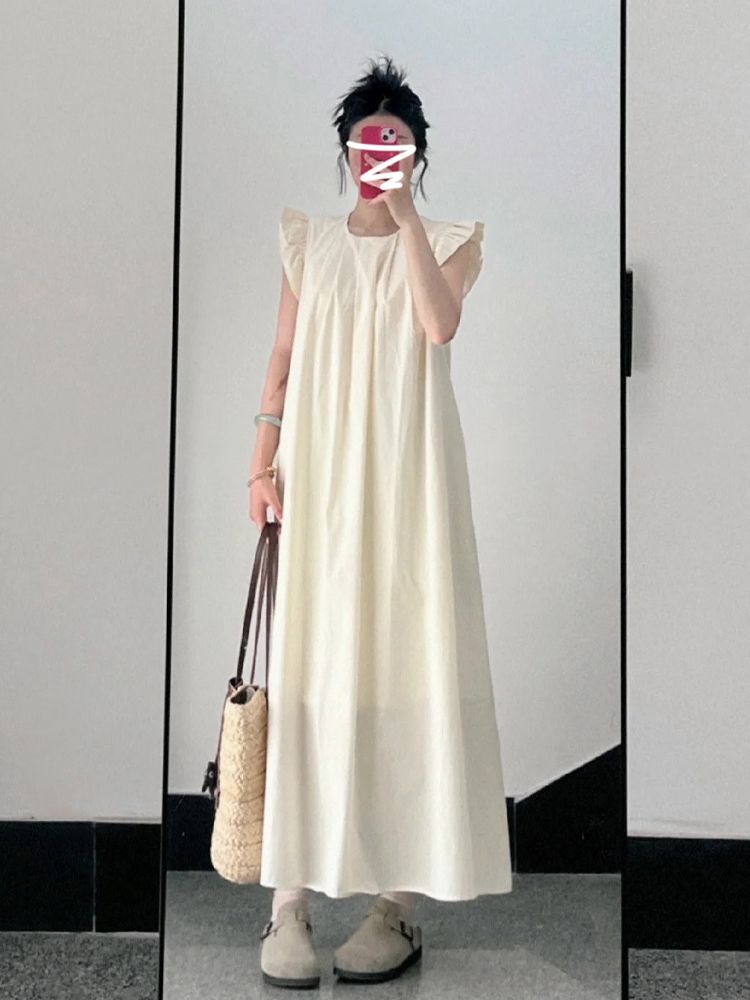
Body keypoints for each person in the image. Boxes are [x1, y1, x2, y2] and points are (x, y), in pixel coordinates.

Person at [247, 55, 512, 989]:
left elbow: (438, 326)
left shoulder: (450, 241)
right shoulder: (307, 243)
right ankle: (288, 905)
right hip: (317, 479)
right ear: (346, 150)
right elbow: (282, 357)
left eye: (395, 142)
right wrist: (259, 463)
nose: (379, 154)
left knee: (407, 668)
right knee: (307, 670)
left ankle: (394, 906)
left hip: (410, 482)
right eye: (366, 141)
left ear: (417, 155)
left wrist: (405, 221)